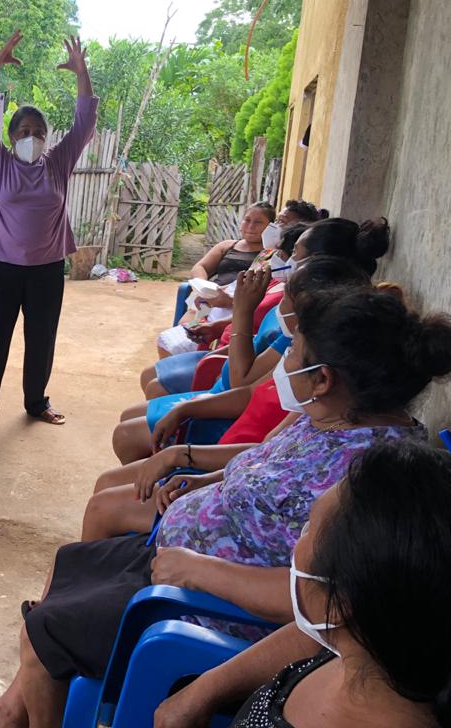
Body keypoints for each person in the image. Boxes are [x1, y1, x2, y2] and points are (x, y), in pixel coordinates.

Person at [0, 285, 451, 728]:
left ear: (324, 376)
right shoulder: (329, 416)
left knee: (46, 628)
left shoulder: (370, 479)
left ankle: (23, 707)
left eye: (295, 351)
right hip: (179, 562)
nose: (285, 361)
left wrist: (197, 571)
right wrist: (199, 474)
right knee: (70, 564)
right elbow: (260, 458)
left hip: (207, 604)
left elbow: (321, 600)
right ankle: (8, 711)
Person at [155, 440, 451, 728]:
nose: (298, 540)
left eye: (308, 529)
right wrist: (204, 690)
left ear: (341, 604)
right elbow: (307, 638)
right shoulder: (368, 647)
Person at [80, 256, 373, 544]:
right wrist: (186, 419)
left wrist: (186, 457)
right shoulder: (316, 400)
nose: (287, 359)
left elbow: (257, 443)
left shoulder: (318, 407)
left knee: (105, 499)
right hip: (224, 469)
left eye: (287, 295)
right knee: (112, 481)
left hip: (224, 479)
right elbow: (255, 411)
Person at [116, 216, 393, 463]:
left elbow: (247, 390)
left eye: (295, 252)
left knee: (128, 432)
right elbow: (255, 378)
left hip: (234, 419)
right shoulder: (295, 310)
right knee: (135, 412)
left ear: (318, 262)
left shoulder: (307, 333)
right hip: (231, 397)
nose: (286, 258)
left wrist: (242, 309)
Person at [0, 31, 98, 432]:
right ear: (11, 136)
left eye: (38, 131)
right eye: (23, 131)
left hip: (46, 268)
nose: (32, 137)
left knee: (42, 339)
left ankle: (37, 402)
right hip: (1, 266)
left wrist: (82, 73)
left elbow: (84, 123)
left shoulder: (57, 163)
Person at [145, 223, 307, 400]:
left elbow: (244, 381)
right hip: (223, 341)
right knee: (151, 371)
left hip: (231, 360)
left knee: (155, 385)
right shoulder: (272, 278)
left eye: (290, 252)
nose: (275, 256)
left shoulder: (290, 310)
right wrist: (215, 325)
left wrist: (239, 306)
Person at [160, 202, 277, 357]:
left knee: (195, 340)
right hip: (207, 300)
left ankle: (197, 364)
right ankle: (177, 363)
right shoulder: (227, 246)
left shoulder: (270, 255)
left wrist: (228, 300)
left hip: (238, 306)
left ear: (270, 227)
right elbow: (200, 267)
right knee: (180, 335)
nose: (250, 226)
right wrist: (205, 289)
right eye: (247, 220)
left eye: (258, 222)